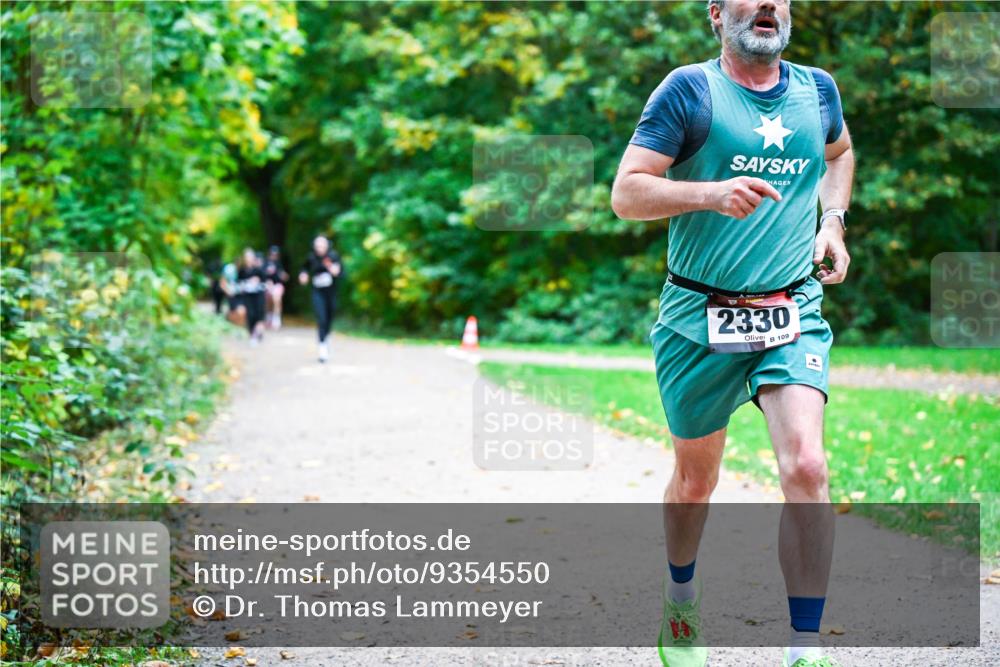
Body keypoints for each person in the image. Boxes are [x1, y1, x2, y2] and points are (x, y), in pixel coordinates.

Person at [610, 1, 854, 666]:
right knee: (695, 481)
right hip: (697, 317)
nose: (770, 3)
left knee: (807, 464)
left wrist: (831, 221)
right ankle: (681, 601)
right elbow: (627, 193)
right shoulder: (690, 90)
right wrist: (709, 193)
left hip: (790, 308)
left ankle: (805, 646)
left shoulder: (817, 91)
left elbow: (840, 151)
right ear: (718, 13)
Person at [298, 235, 342, 363]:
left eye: (322, 245)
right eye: (317, 246)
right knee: (321, 318)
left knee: (329, 317)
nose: (320, 248)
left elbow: (339, 272)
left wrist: (333, 269)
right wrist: (303, 275)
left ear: (327, 245)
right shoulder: (311, 257)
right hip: (317, 292)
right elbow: (304, 268)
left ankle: (326, 337)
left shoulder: (333, 256)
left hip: (331, 293)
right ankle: (322, 347)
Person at [236, 248, 267, 345]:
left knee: (259, 315)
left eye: (250, 256)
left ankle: (257, 334)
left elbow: (265, 282)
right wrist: (247, 283)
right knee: (250, 314)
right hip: (248, 295)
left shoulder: (259, 269)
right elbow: (239, 283)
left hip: (258, 295)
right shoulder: (242, 271)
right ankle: (252, 333)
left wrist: (258, 281)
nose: (249, 258)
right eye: (247, 256)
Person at [263, 246, 289, 330]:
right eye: (272, 254)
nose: (274, 256)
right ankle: (269, 317)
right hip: (267, 286)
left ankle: (276, 318)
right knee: (268, 301)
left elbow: (283, 275)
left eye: (275, 254)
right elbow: (262, 275)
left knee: (276, 299)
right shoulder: (265, 263)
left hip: (277, 285)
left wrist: (284, 276)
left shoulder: (279, 264)